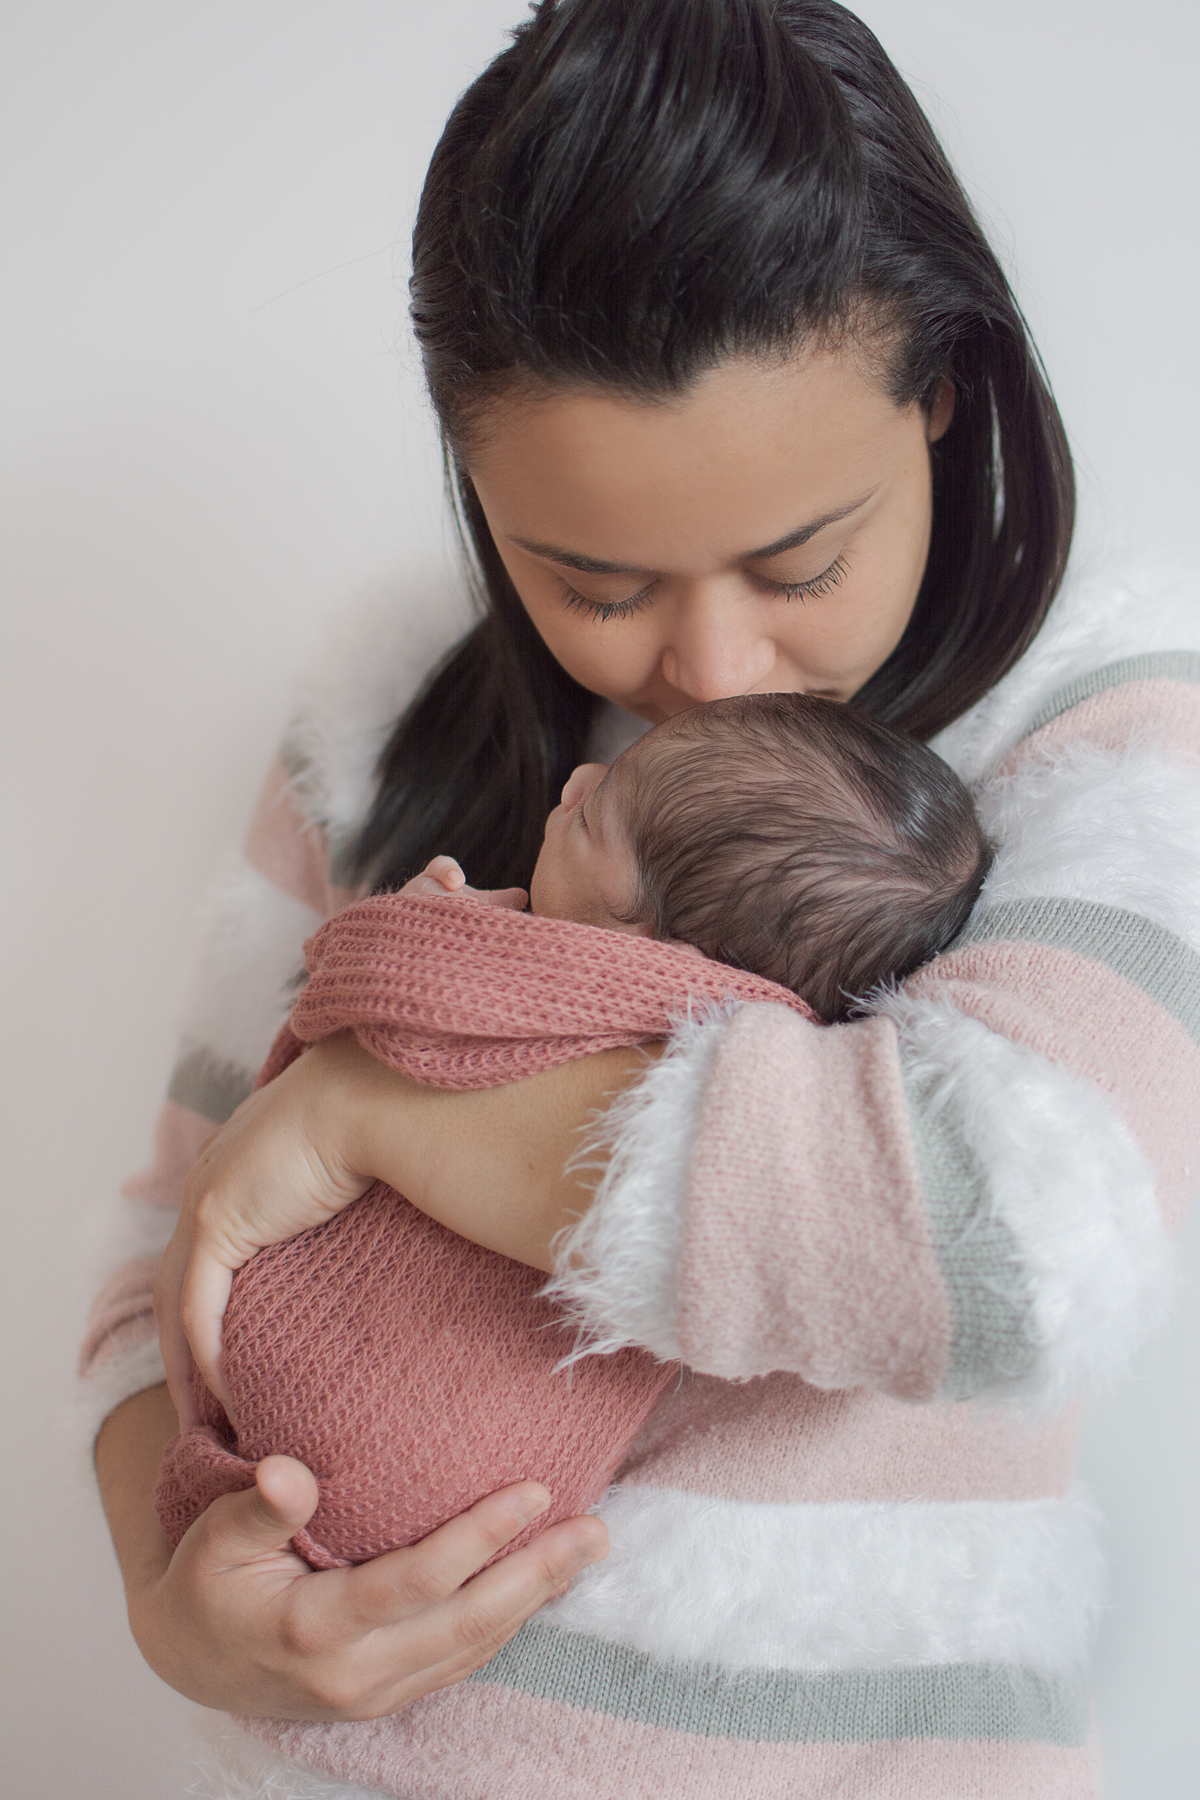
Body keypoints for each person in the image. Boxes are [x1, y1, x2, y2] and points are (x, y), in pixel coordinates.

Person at [83, 1, 1200, 1795]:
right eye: (595, 584)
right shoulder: (383, 727)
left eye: (799, 562)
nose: (712, 667)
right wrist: (173, 1603)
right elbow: (173, 1251)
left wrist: (380, 1114)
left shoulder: (1097, 728)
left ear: (943, 388)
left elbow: (1007, 1244)